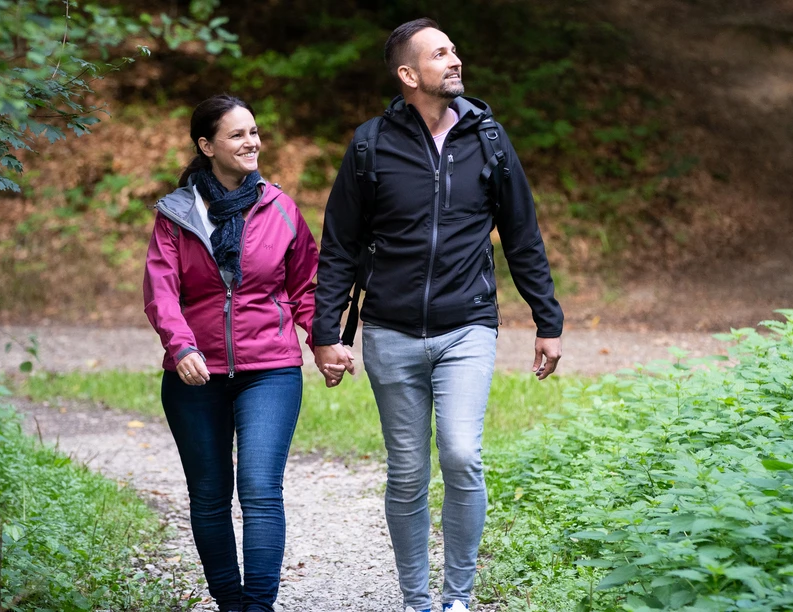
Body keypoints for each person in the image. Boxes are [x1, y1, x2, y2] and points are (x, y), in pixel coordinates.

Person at [310, 18, 565, 612]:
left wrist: (547, 320)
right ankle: (416, 599)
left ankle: (458, 597)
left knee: (461, 455)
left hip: (467, 325)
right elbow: (340, 244)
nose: (455, 60)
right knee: (406, 472)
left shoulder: (489, 139)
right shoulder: (370, 144)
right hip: (389, 330)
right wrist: (326, 333)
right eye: (440, 53)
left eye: (454, 49)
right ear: (408, 74)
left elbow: (522, 234)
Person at [142, 94, 318, 612]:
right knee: (210, 495)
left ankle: (258, 606)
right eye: (238, 134)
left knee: (260, 489)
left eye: (254, 132)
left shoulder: (280, 208)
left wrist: (324, 342)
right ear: (207, 145)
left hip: (271, 369)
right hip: (194, 374)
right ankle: (230, 603)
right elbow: (161, 291)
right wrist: (181, 347)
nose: (252, 142)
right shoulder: (177, 214)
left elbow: (306, 286)